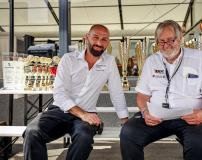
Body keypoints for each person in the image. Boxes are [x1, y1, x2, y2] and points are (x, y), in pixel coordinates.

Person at [120, 20, 202, 160]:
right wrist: (145, 112)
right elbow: (143, 95)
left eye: (170, 40)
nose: (165, 45)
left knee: (199, 146)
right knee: (128, 133)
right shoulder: (152, 61)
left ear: (180, 37)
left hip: (191, 118)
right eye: (161, 41)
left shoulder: (198, 58)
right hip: (157, 118)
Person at [23, 24, 129, 160]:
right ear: (87, 38)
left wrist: (125, 121)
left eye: (104, 39)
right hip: (59, 111)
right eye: (95, 37)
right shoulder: (68, 59)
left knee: (84, 138)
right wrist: (83, 114)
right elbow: (59, 93)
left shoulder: (109, 62)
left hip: (87, 113)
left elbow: (116, 92)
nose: (99, 43)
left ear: (108, 42)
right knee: (32, 132)